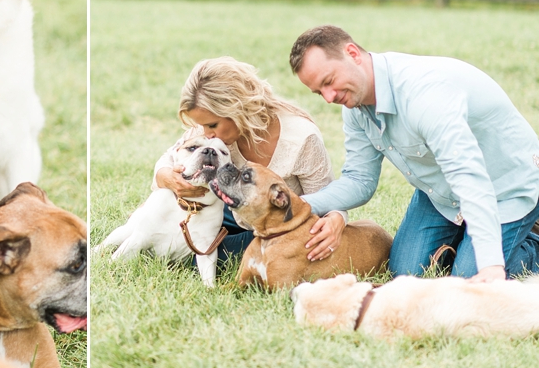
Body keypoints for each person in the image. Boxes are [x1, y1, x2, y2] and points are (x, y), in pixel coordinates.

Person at [290, 24, 539, 282]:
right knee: (405, 273)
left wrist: (490, 264)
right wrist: (301, 205)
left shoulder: (424, 95)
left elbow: (469, 177)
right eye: (319, 92)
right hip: (444, 194)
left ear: (352, 53)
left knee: (468, 280)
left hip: (504, 187)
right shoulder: (354, 106)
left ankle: (529, 241)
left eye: (329, 81)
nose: (329, 97)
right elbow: (359, 180)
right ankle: (470, 238)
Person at [152, 57, 345, 262]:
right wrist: (167, 177)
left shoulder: (301, 138)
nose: (206, 134)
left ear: (237, 110)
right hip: (228, 209)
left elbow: (327, 199)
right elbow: (168, 158)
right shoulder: (210, 128)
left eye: (212, 125)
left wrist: (337, 218)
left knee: (195, 256)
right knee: (177, 236)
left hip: (273, 228)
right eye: (203, 126)